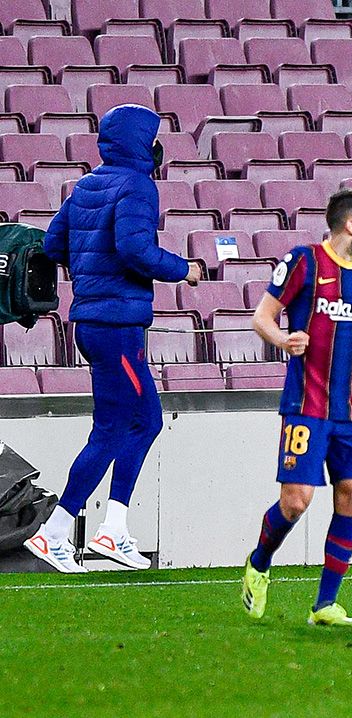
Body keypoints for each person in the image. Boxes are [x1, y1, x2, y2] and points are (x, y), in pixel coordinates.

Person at [25, 104, 203, 573]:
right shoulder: (138, 185)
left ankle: (112, 529)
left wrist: (89, 271)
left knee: (145, 420)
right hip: (118, 327)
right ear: (144, 142)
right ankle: (57, 531)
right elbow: (134, 249)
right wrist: (185, 270)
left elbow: (51, 246)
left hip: (91, 322)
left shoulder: (85, 184)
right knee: (116, 429)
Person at [240, 190, 352, 627]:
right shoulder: (304, 261)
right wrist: (282, 340)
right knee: (296, 502)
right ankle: (260, 561)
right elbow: (262, 317)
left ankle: (325, 604)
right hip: (307, 405)